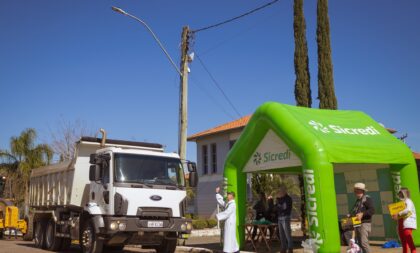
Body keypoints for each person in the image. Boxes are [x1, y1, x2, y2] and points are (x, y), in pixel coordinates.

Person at [349, 182, 375, 253]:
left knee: (363, 243)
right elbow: (356, 212)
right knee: (360, 243)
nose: (355, 192)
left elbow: (372, 210)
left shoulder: (367, 199)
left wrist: (362, 214)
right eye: (355, 190)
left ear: (362, 191)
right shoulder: (358, 201)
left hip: (364, 224)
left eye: (357, 190)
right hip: (357, 224)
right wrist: (350, 216)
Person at [392, 187, 417, 253]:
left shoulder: (408, 201)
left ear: (404, 193)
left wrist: (398, 213)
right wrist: (395, 216)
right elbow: (399, 214)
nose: (399, 194)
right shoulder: (401, 202)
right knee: (404, 244)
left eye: (400, 193)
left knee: (410, 243)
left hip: (407, 224)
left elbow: (408, 210)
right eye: (399, 193)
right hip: (401, 224)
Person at [215, 186, 239, 253]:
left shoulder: (232, 204)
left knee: (229, 239)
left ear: (232, 196)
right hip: (229, 224)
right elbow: (222, 202)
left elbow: (227, 213)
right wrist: (217, 193)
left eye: (229, 194)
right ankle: (235, 250)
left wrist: (218, 216)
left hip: (230, 225)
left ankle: (228, 251)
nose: (227, 195)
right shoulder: (229, 203)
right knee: (231, 239)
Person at [275, 185, 293, 253]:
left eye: (281, 190)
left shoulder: (288, 198)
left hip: (285, 217)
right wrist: (278, 200)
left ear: (285, 191)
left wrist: (278, 202)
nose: (280, 191)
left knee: (287, 234)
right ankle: (283, 248)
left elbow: (284, 207)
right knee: (281, 234)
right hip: (280, 218)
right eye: (280, 190)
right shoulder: (279, 198)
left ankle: (290, 248)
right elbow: (276, 208)